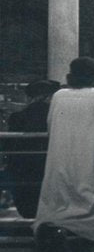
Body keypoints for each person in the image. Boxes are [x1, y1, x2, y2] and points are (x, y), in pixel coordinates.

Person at [34, 57, 94, 252]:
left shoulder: (58, 95)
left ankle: (55, 227)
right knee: (88, 188)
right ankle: (84, 229)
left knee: (62, 191)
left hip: (61, 153)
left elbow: (50, 125)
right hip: (89, 152)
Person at [5, 80, 60, 218]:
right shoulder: (58, 117)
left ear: (28, 97)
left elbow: (10, 146)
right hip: (52, 166)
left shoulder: (17, 117)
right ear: (50, 97)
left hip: (23, 169)